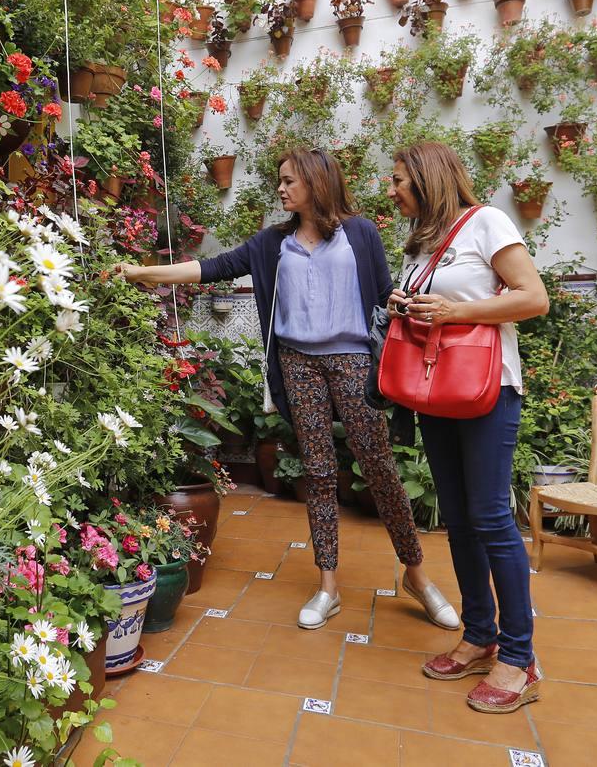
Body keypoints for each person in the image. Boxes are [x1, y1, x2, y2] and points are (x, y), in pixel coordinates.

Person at [121, 148, 458, 632]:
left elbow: (383, 290)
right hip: (297, 364)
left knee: (380, 469)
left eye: (289, 181)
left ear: (317, 183)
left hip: (353, 361)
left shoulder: (359, 233)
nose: (281, 189)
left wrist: (400, 301)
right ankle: (328, 587)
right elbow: (207, 269)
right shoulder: (270, 244)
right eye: (279, 181)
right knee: (318, 473)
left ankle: (419, 578)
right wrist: (140, 274)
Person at [384, 141, 549, 714]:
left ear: (429, 179)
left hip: (487, 390)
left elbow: (534, 299)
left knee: (489, 517)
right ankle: (480, 635)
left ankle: (519, 656)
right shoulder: (424, 244)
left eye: (400, 179)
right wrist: (405, 303)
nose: (392, 189)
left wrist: (452, 312)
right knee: (456, 518)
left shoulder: (487, 223)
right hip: (436, 392)